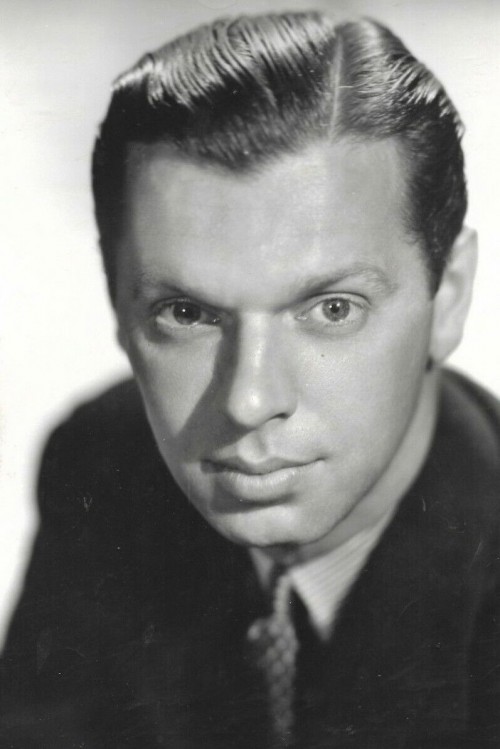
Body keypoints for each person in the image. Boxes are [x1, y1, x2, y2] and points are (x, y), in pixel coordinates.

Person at [1, 11, 499, 748]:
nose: (249, 400)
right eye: (187, 313)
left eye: (332, 309)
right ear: (118, 308)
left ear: (448, 298)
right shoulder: (104, 464)